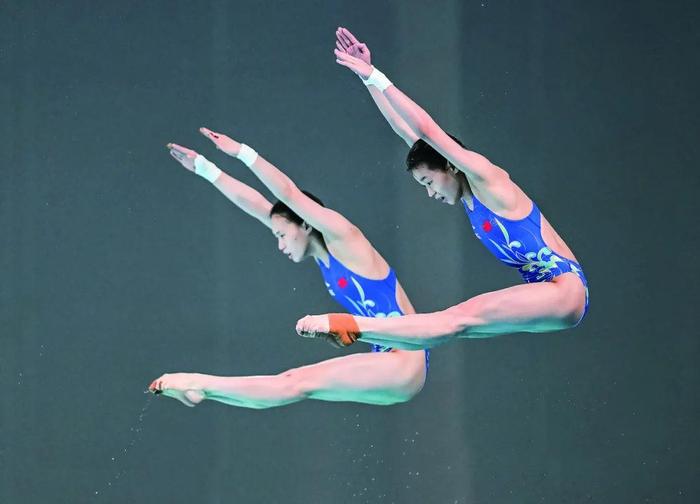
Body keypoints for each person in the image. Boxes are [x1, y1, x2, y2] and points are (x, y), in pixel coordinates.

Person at [295, 28, 589, 349]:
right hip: (551, 295)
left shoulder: (487, 179)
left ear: (449, 165)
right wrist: (368, 82)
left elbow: (427, 130)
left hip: (564, 290)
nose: (430, 192)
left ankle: (353, 324)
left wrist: (377, 75)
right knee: (450, 326)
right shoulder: (464, 189)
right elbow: (406, 131)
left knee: (456, 320)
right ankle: (364, 331)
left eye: (428, 181)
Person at [149, 127, 427, 408]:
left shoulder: (346, 240)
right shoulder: (323, 257)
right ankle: (206, 390)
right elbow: (256, 204)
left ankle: (200, 384)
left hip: (403, 360)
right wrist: (205, 169)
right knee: (295, 385)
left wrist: (243, 153)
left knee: (295, 382)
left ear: (306, 222)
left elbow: (289, 193)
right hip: (388, 361)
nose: (280, 244)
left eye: (282, 235)